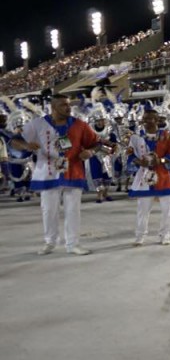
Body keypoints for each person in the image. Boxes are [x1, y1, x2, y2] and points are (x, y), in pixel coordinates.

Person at [11, 94, 108, 255]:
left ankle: (73, 244)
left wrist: (90, 151)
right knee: (49, 211)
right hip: (47, 173)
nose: (68, 108)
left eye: (68, 104)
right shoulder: (37, 124)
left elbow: (97, 143)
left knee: (73, 211)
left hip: (73, 172)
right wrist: (26, 145)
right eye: (64, 105)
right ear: (53, 107)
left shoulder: (80, 125)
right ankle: (50, 242)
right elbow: (14, 141)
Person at [126, 109, 170, 245]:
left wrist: (160, 161)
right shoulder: (136, 138)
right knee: (142, 210)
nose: (146, 121)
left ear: (157, 120)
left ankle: (165, 235)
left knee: (167, 210)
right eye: (144, 118)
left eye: (149, 118)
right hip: (144, 179)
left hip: (163, 178)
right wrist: (139, 162)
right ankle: (140, 236)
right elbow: (130, 156)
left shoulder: (167, 136)